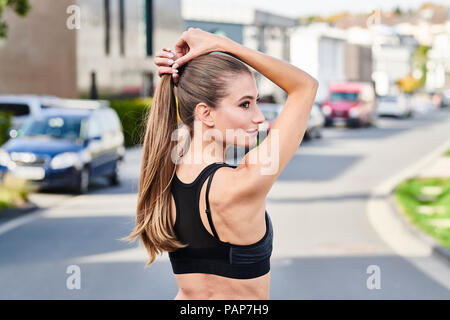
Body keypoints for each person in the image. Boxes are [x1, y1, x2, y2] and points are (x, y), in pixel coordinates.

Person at [122, 28, 318, 300]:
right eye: (245, 104)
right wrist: (225, 45)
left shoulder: (164, 180)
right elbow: (305, 86)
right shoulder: (243, 182)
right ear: (205, 113)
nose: (260, 117)